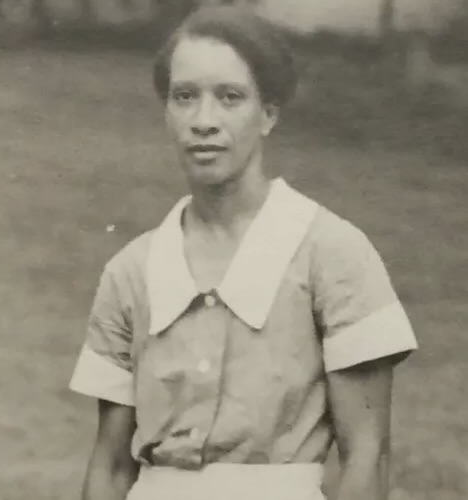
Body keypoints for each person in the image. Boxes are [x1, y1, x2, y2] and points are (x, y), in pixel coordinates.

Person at [69, 5, 418, 500]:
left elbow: (367, 454)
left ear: (268, 114)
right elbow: (109, 466)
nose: (203, 121)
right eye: (184, 97)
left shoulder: (332, 254)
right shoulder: (131, 272)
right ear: (167, 112)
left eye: (230, 97)